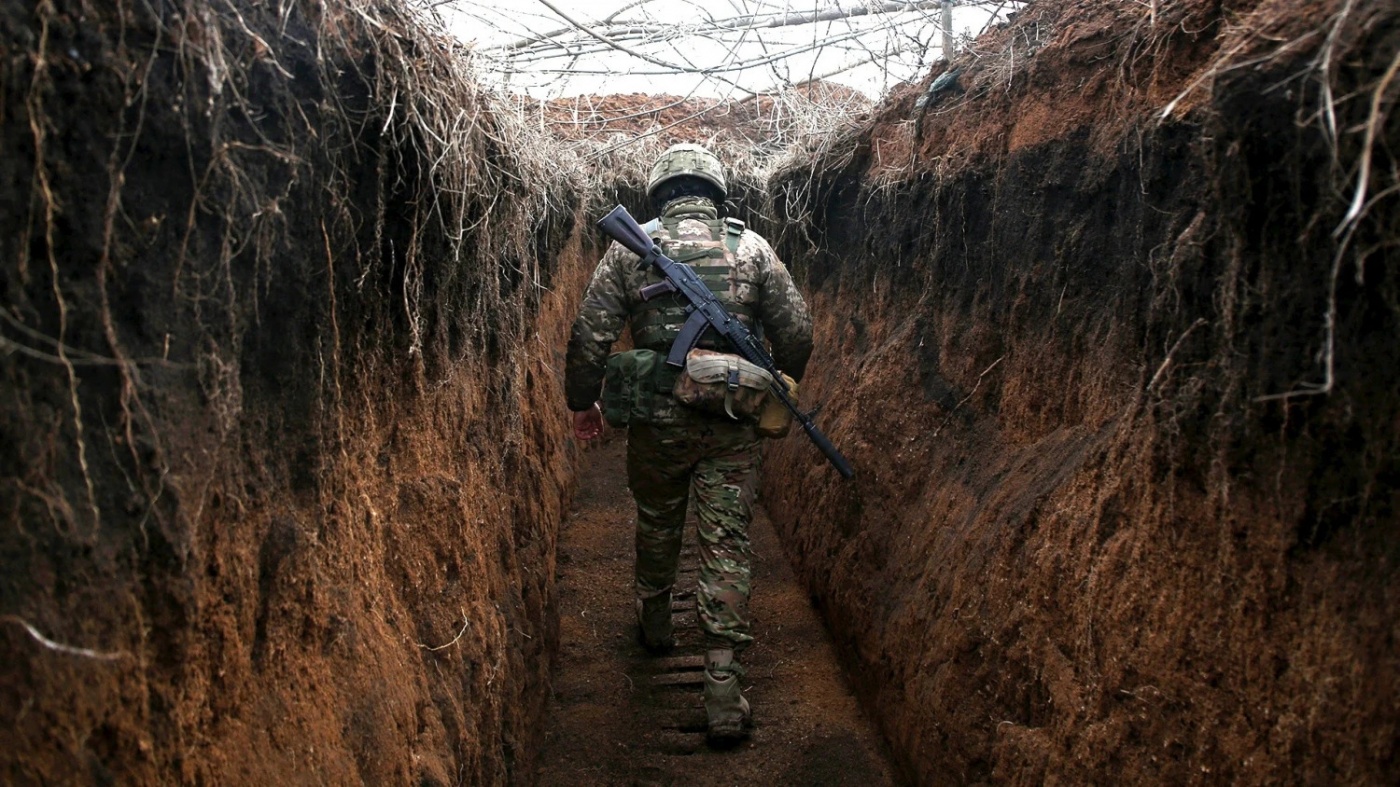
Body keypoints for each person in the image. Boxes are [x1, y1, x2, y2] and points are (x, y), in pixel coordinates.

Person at [564, 143, 813, 743]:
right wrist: (769, 376)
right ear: (715, 189)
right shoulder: (750, 248)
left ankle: (655, 624)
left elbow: (589, 335)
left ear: (659, 192)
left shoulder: (628, 253)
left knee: (657, 518)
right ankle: (724, 689)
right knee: (726, 540)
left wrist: (582, 403)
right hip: (731, 423)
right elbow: (796, 329)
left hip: (656, 422)